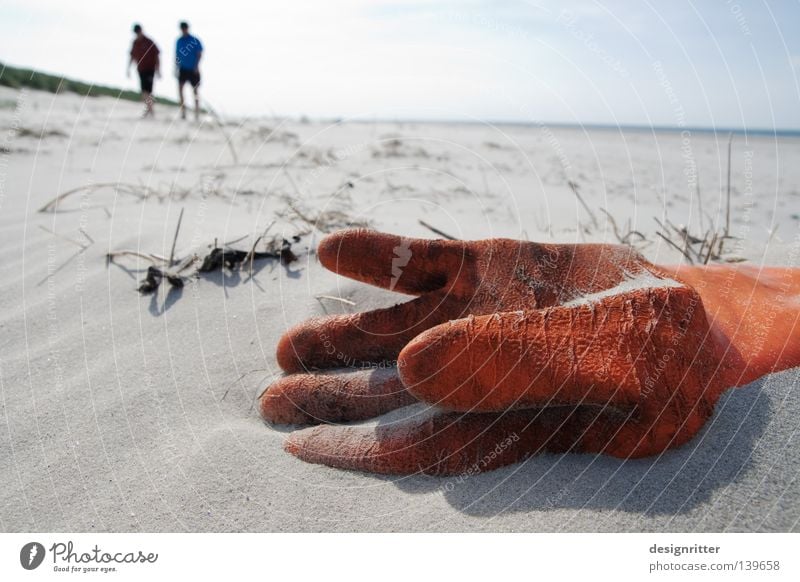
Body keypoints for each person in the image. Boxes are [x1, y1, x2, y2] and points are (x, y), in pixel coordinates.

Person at [128, 24, 160, 117]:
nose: (137, 34)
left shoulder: (149, 42)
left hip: (150, 69)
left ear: (141, 30)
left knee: (149, 91)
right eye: (136, 32)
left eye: (138, 31)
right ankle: (150, 109)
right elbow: (132, 55)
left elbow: (157, 55)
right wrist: (129, 68)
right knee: (144, 91)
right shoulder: (135, 43)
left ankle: (150, 110)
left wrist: (158, 69)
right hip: (141, 69)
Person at [175, 21, 203, 120]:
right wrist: (176, 68)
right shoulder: (179, 41)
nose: (183, 30)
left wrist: (196, 66)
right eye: (182, 28)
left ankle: (196, 112)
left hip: (193, 69)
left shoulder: (194, 40)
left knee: (195, 91)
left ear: (187, 28)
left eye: (185, 28)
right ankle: (183, 112)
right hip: (183, 69)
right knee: (180, 89)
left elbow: (199, 53)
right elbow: (177, 55)